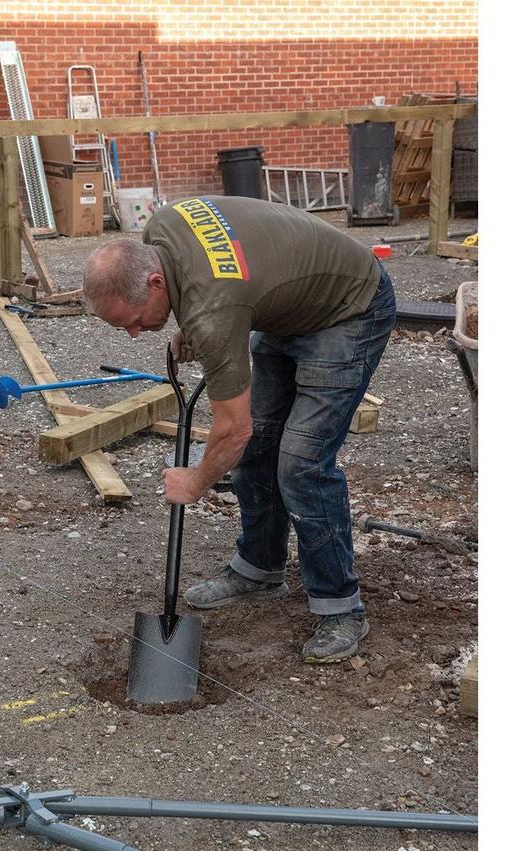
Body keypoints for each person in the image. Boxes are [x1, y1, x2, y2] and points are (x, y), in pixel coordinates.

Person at [83, 196, 395, 663]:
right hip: (286, 307)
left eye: (132, 321)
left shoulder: (214, 312)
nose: (133, 333)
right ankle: (259, 569)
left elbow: (233, 429)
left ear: (154, 282)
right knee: (261, 447)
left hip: (349, 307)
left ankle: (340, 608)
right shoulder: (160, 232)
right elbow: (208, 286)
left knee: (301, 464)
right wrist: (190, 320)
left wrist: (195, 482)